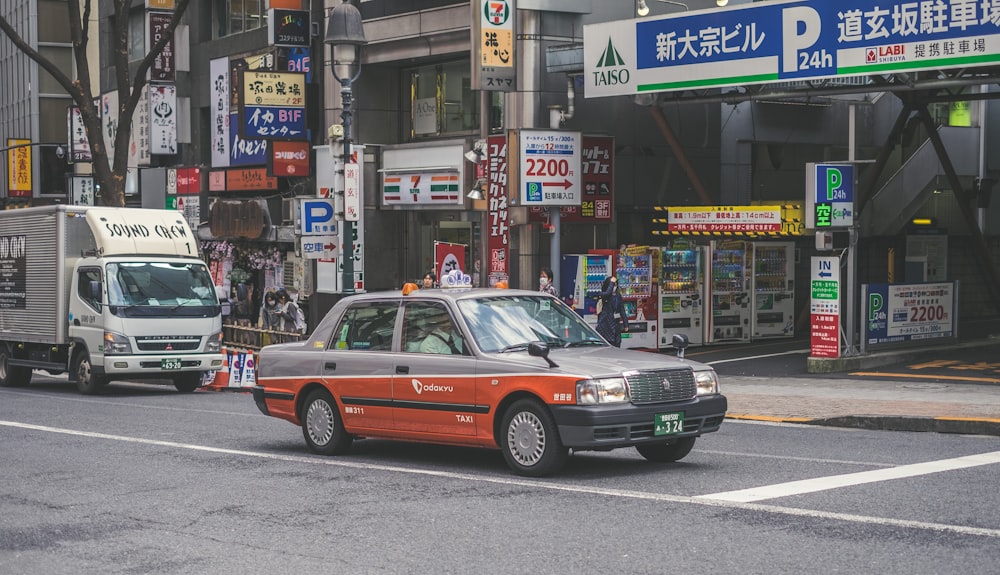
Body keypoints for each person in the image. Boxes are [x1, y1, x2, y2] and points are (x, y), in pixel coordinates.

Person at [596, 275, 629, 347]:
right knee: (608, 343)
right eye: (614, 285)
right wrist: (611, 283)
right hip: (605, 324)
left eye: (616, 285)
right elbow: (607, 293)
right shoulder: (603, 295)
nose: (615, 286)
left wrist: (625, 323)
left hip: (615, 323)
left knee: (617, 343)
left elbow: (622, 309)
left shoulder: (618, 295)